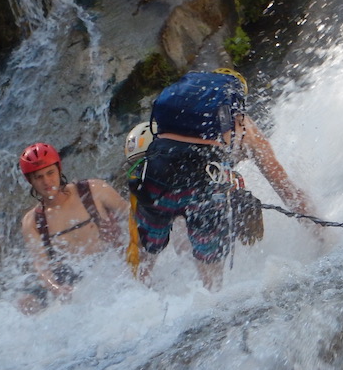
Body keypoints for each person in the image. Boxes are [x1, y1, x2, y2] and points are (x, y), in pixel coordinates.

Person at [129, 69, 314, 290]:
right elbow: (286, 189)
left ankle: (137, 292)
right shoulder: (244, 127)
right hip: (204, 187)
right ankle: (210, 300)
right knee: (211, 280)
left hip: (155, 179)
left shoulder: (175, 117)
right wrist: (320, 232)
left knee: (147, 255)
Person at [18, 142, 127, 306]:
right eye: (39, 177)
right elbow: (41, 267)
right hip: (67, 277)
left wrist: (119, 233)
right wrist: (56, 288)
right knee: (24, 303)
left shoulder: (94, 190)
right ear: (30, 181)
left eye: (50, 173)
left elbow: (132, 216)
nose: (46, 181)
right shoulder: (32, 221)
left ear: (59, 170)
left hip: (106, 263)